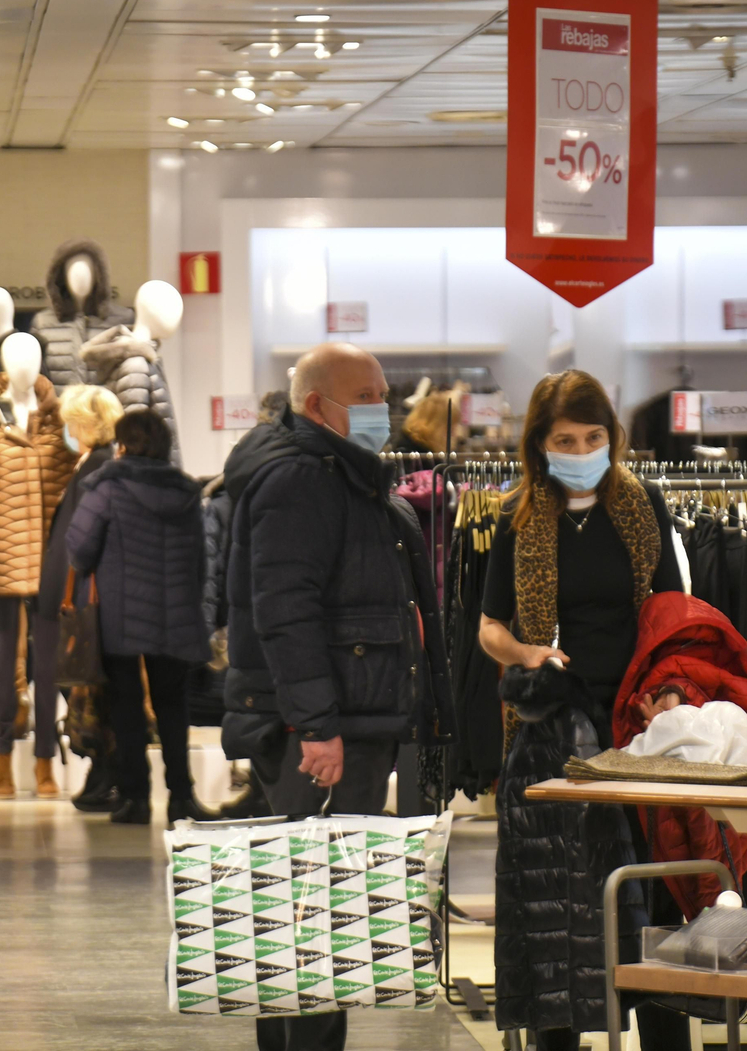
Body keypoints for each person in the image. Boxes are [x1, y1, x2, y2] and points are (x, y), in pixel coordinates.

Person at [220, 341, 451, 1051]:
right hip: (323, 733)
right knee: (315, 915)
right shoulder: (302, 479)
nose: (384, 409)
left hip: (345, 720)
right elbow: (284, 610)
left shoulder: (343, 475)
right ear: (318, 405)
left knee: (303, 912)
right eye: (368, 397)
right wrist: (316, 725)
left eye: (385, 395)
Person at [478, 370, 688, 1051]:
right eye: (565, 440)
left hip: (636, 726)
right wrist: (528, 652)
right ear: (540, 443)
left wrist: (670, 687)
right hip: (552, 730)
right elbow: (488, 627)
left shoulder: (643, 504)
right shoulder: (516, 515)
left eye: (593, 437)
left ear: (612, 436)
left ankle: (664, 1035)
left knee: (650, 900)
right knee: (558, 905)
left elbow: (671, 612)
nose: (581, 450)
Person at [67, 409, 214, 826]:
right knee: (173, 708)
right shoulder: (186, 492)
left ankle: (135, 798)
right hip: (176, 613)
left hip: (121, 616)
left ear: (123, 445)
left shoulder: (107, 488)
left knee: (127, 707)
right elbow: (200, 559)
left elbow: (79, 549)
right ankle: (182, 797)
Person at [34, 384, 123, 806]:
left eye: (73, 422)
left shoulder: (98, 467)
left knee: (87, 687)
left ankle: (107, 771)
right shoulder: (92, 464)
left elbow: (80, 537)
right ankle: (102, 770)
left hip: (79, 598)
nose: (68, 430)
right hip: (71, 595)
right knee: (81, 685)